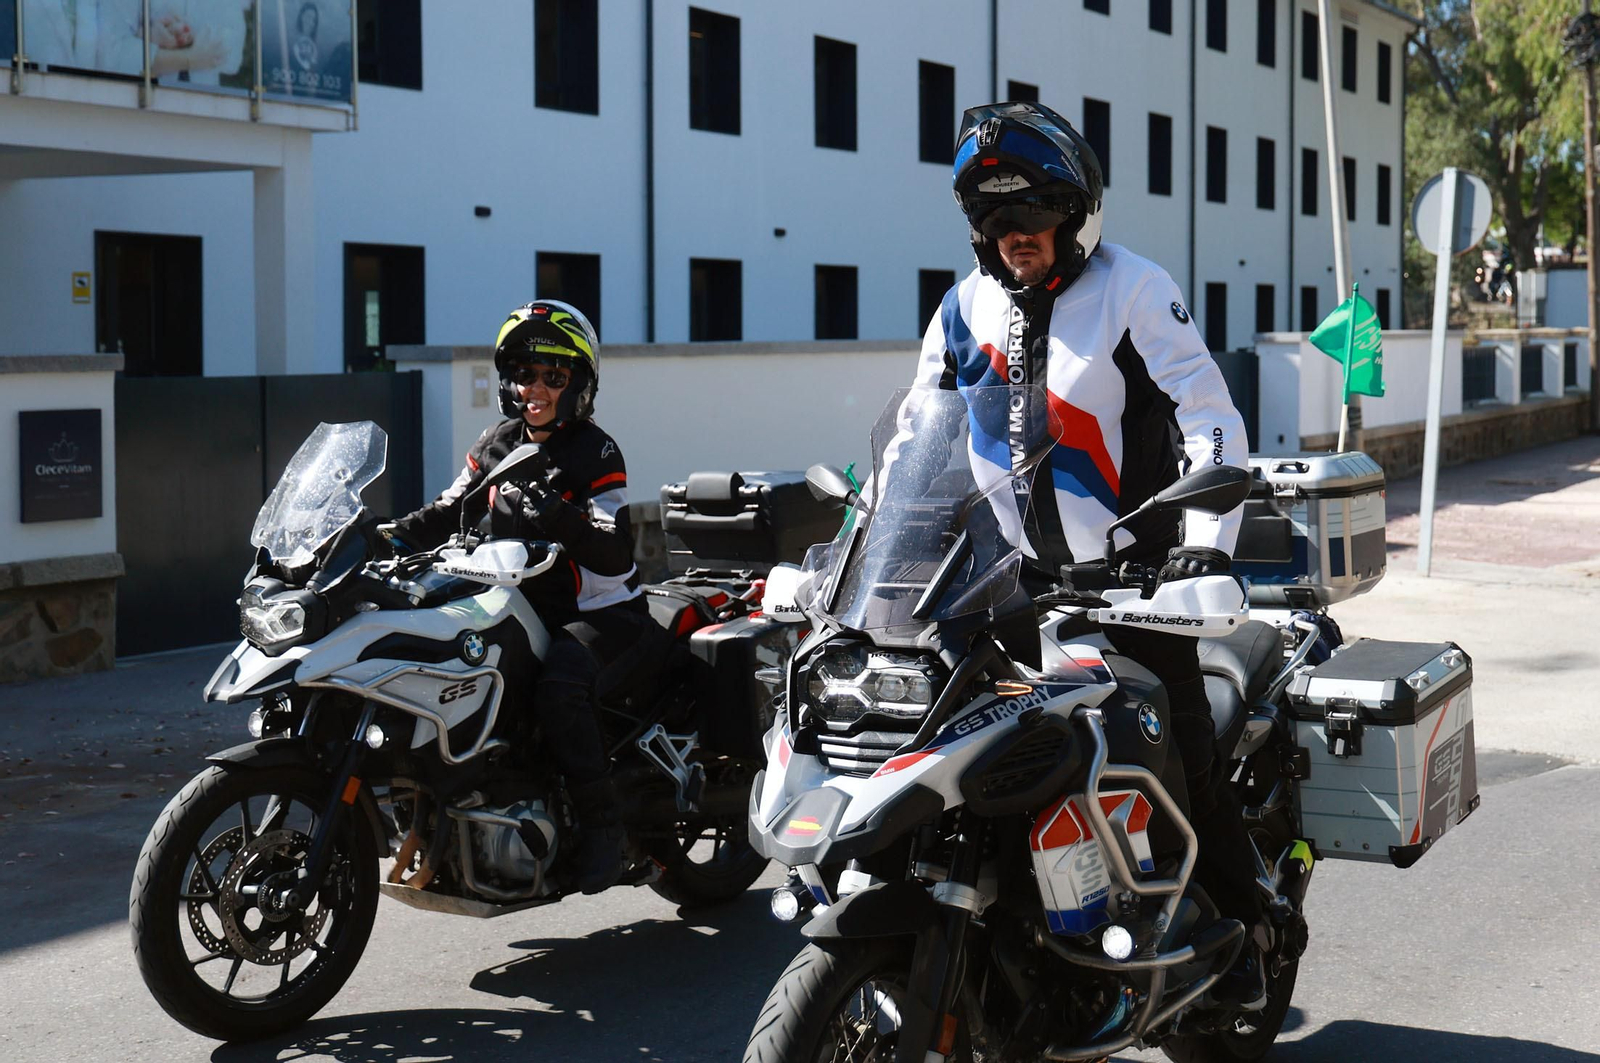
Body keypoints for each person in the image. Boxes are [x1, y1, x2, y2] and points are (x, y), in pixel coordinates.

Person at [915, 101, 1265, 1001]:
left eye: (1032, 214)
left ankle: (1242, 946)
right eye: (993, 218)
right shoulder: (961, 308)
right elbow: (914, 441)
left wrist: (1201, 547)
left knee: (1181, 762)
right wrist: (859, 544)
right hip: (1006, 592)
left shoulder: (1134, 289)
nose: (1013, 235)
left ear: (1076, 215)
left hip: (1132, 589)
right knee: (945, 758)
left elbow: (1211, 419)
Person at [385, 300, 649, 894]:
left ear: (579, 383)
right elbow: (450, 509)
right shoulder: (496, 442)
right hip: (517, 607)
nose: (537, 388)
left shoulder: (595, 451)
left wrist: (559, 515)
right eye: (525, 374)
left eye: (554, 377)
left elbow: (615, 551)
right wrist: (386, 534)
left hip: (600, 614)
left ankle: (603, 828)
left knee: (560, 684)